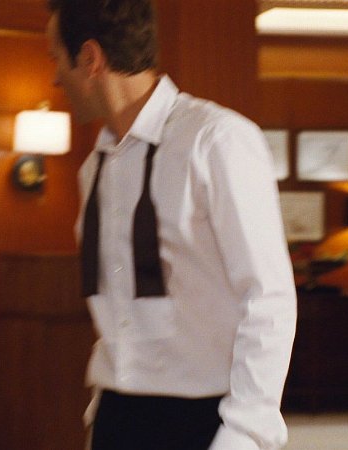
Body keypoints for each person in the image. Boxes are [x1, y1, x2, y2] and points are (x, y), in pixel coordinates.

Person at [45, 1, 297, 448]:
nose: (55, 78)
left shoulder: (217, 141)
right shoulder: (93, 169)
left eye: (56, 59)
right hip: (116, 415)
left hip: (203, 420)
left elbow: (268, 297)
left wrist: (244, 433)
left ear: (90, 58)